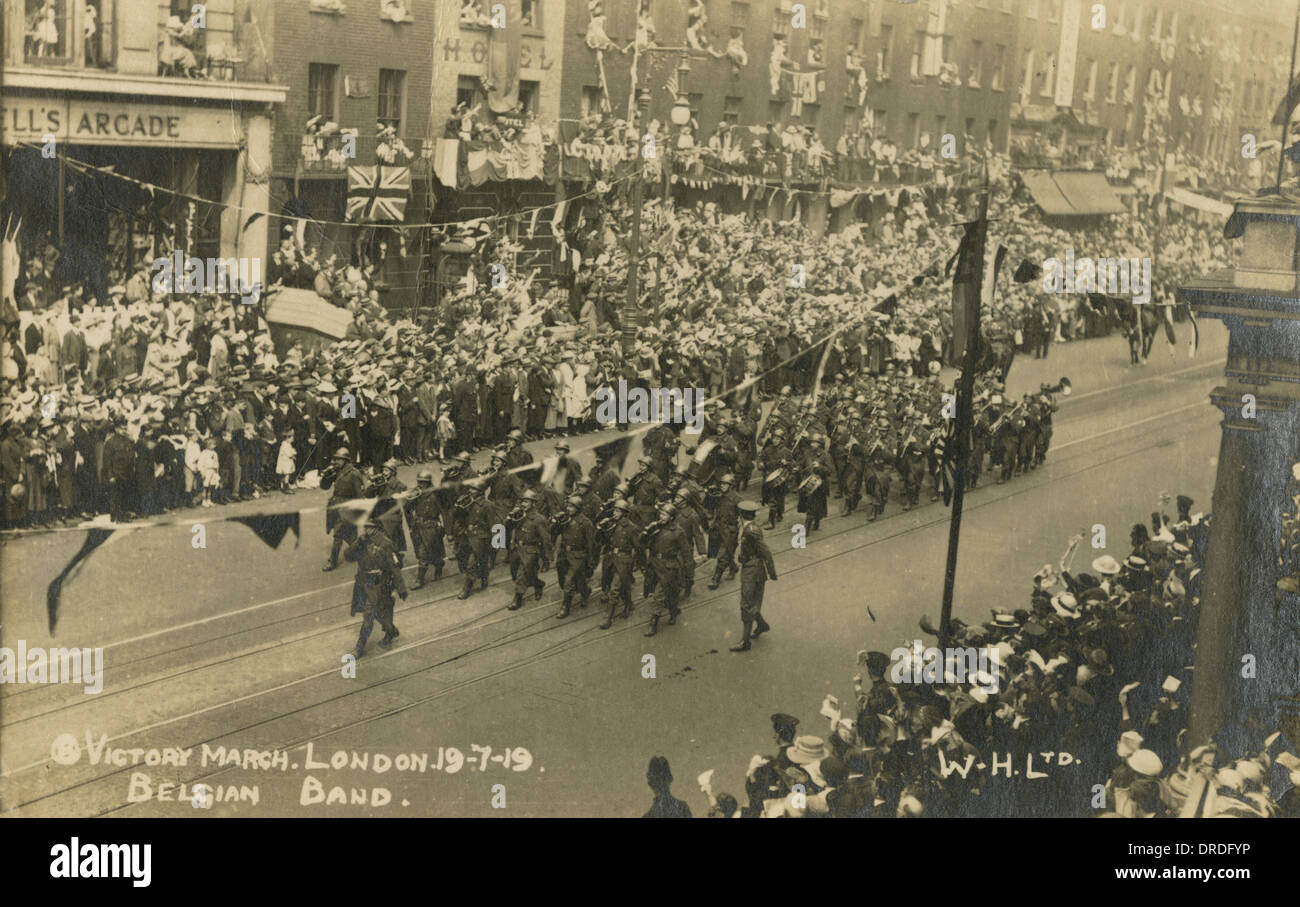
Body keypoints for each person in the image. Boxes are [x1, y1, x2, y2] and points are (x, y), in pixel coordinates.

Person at [347, 516, 408, 659]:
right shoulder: (362, 542)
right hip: (364, 584)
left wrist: (401, 588)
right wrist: (356, 544)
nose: (366, 531)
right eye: (365, 528)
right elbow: (348, 556)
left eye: (369, 528)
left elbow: (395, 568)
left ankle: (360, 647)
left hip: (380, 585)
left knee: (370, 614)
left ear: (376, 529)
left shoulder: (385, 544)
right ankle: (390, 630)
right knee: (375, 613)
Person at [731, 501, 777, 652]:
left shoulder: (751, 530)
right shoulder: (748, 528)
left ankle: (745, 642)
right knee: (752, 602)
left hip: (752, 571)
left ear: (741, 515)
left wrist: (772, 572)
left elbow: (765, 551)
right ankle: (762, 624)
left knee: (746, 604)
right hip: (751, 568)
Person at [321, 446, 366, 571]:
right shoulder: (337, 471)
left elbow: (360, 495)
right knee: (348, 534)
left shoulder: (354, 474)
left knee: (338, 534)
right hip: (336, 505)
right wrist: (326, 476)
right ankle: (361, 551)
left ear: (346, 460)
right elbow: (324, 487)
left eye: (339, 460)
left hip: (347, 507)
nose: (336, 462)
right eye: (335, 459)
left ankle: (332, 561)